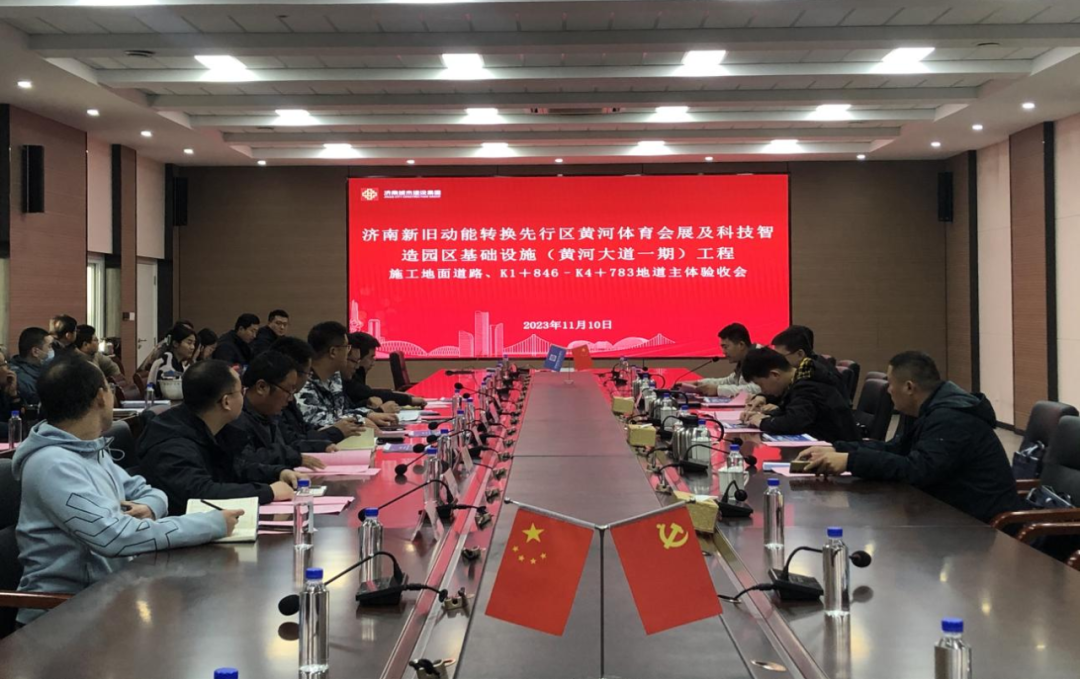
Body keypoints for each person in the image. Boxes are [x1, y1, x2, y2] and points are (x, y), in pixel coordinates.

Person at [12, 356, 242, 625]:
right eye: (110, 388)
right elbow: (114, 536)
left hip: (109, 597)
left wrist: (151, 507)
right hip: (61, 614)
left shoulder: (89, 449)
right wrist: (210, 524)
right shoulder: (52, 464)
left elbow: (150, 491)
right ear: (101, 397)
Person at [797, 351, 1026, 523]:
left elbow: (917, 470)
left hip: (977, 524)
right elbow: (897, 448)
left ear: (909, 387)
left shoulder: (951, 419)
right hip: (944, 513)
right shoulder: (926, 410)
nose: (888, 390)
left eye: (890, 384)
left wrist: (850, 461)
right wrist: (838, 449)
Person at [138, 359, 302, 516]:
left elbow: (236, 468)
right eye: (241, 391)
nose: (244, 396)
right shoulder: (173, 444)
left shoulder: (212, 427)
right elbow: (200, 493)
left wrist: (276, 473)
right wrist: (268, 492)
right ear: (226, 402)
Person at [233, 351, 334, 471]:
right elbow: (248, 461)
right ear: (261, 387)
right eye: (288, 391)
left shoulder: (270, 413)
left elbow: (288, 444)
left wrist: (320, 445)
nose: (290, 399)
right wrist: (291, 459)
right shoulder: (234, 418)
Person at [739, 347, 859, 443]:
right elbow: (790, 412)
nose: (763, 391)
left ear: (775, 375)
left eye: (760, 384)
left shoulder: (808, 385)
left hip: (840, 450)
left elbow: (794, 422)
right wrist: (763, 416)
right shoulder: (799, 379)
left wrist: (762, 422)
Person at [296, 321, 397, 431]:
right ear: (333, 352)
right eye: (347, 347)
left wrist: (369, 414)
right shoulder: (303, 382)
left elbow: (341, 412)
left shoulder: (334, 378)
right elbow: (316, 423)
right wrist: (361, 420)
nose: (349, 351)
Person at [269, 336, 364, 447]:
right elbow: (292, 442)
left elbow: (304, 430)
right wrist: (336, 432)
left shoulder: (334, 379)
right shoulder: (282, 397)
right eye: (308, 372)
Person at [344, 332, 427, 413]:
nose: (373, 362)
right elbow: (366, 393)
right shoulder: (346, 379)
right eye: (371, 357)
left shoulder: (355, 375)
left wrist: (392, 393)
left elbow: (365, 394)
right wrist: (408, 400)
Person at [677, 323, 762, 398]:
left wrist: (718, 390)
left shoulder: (760, 358)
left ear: (741, 345)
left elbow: (758, 389)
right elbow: (728, 381)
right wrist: (698, 383)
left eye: (726, 347)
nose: (723, 352)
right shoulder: (745, 359)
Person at [11, 328, 52, 406]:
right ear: (35, 352)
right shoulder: (22, 380)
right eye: (49, 346)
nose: (52, 350)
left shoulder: (42, 369)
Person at [0, 347, 24, 438]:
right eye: (2, 364)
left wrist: (14, 396)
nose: (7, 368)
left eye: (5, 363)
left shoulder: (4, 391)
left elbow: (18, 419)